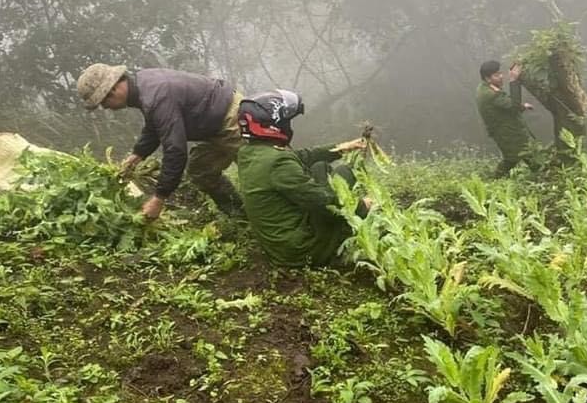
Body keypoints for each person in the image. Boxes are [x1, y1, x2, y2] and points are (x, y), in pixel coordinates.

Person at [76, 63, 244, 219]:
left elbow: (175, 151)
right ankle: (240, 216)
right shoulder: (143, 85)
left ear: (112, 90)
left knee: (258, 176)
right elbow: (154, 126)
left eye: (103, 102)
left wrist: (159, 198)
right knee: (201, 171)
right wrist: (138, 154)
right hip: (211, 126)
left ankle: (263, 222)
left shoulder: (156, 96)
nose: (105, 107)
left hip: (232, 118)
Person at [234, 89, 369, 267]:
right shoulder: (278, 163)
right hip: (302, 249)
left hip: (280, 244)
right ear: (273, 125)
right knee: (344, 174)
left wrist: (342, 148)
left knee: (319, 167)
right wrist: (362, 206)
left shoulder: (250, 152)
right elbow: (322, 201)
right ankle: (338, 244)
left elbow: (302, 156)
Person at [475, 59, 534, 178]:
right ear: (487, 78)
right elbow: (513, 106)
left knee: (516, 157)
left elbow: (504, 105)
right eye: (497, 75)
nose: (501, 76)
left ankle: (494, 179)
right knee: (522, 155)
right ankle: (494, 180)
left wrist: (523, 106)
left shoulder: (484, 87)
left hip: (505, 130)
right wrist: (514, 81)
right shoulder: (491, 94)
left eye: (500, 73)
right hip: (507, 132)